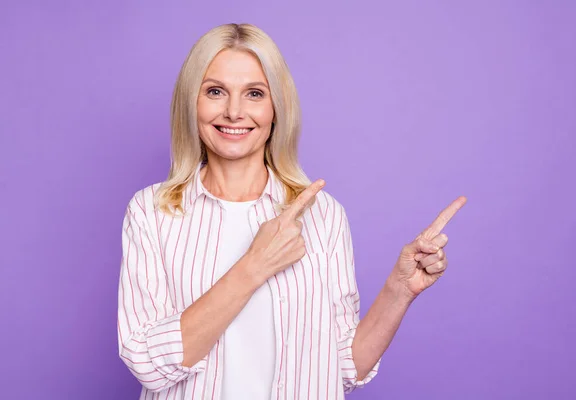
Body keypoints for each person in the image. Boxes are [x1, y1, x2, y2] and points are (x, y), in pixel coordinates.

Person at [117, 23, 467, 400]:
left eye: (254, 93)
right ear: (192, 101)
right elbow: (147, 364)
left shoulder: (323, 215)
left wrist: (399, 291)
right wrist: (255, 265)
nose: (234, 112)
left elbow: (345, 368)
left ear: (276, 108)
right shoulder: (151, 212)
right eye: (215, 91)